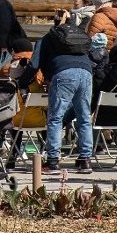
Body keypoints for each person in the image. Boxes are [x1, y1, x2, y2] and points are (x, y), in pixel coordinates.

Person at [35, 9, 96, 173]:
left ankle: (53, 161)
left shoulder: (47, 38)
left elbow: (34, 64)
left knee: (55, 118)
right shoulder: (78, 35)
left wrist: (21, 83)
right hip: (86, 72)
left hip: (63, 74)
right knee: (84, 117)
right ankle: (85, 160)